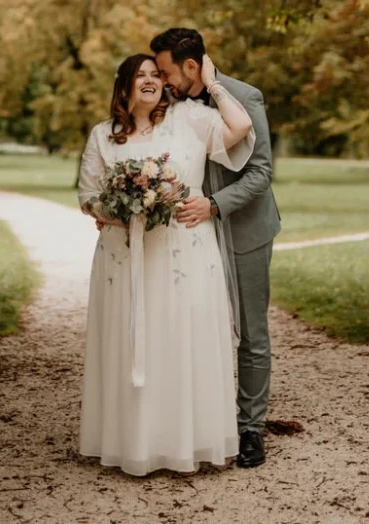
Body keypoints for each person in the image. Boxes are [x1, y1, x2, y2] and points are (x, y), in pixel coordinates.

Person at [78, 51, 255, 476]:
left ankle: (187, 443)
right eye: (140, 75)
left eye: (157, 74)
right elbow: (88, 198)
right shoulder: (103, 135)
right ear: (124, 85)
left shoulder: (190, 119)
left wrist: (212, 82)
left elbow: (241, 126)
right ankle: (133, 444)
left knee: (181, 339)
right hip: (125, 257)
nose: (150, 80)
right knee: (131, 342)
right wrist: (127, 207)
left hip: (184, 254)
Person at [150, 28, 281, 469]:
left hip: (243, 228)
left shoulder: (246, 96)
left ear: (192, 66)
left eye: (167, 71)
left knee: (251, 331)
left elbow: (261, 173)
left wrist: (214, 205)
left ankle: (250, 428)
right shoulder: (172, 104)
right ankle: (206, 421)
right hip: (194, 235)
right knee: (197, 327)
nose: (163, 80)